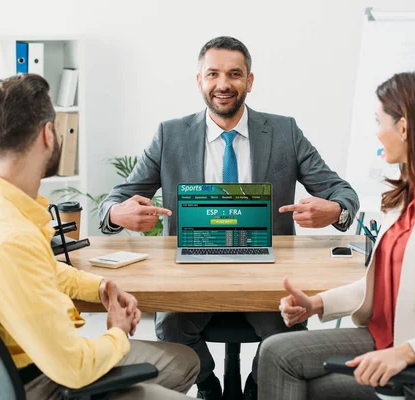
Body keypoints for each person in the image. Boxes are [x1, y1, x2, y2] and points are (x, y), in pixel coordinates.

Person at [98, 36, 359, 399]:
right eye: (213, 74)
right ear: (200, 81)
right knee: (172, 327)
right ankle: (208, 385)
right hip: (190, 271)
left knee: (288, 333)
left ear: (249, 81)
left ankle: (256, 387)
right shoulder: (169, 135)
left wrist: (335, 210)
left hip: (267, 273)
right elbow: (114, 200)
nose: (223, 84)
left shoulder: (284, 132)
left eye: (235, 74)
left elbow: (343, 193)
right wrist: (117, 212)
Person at [0, 74, 199, 400]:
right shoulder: (11, 239)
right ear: (48, 133)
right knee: (183, 365)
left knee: (186, 360)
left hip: (14, 372)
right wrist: (117, 331)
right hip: (46, 384)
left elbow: (37, 267)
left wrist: (100, 286)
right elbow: (74, 368)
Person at [257, 71, 415, 400]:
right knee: (277, 353)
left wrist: (405, 353)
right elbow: (381, 286)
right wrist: (316, 305)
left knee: (306, 380)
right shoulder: (406, 197)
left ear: (403, 128)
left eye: (379, 121)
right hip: (384, 339)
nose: (376, 134)